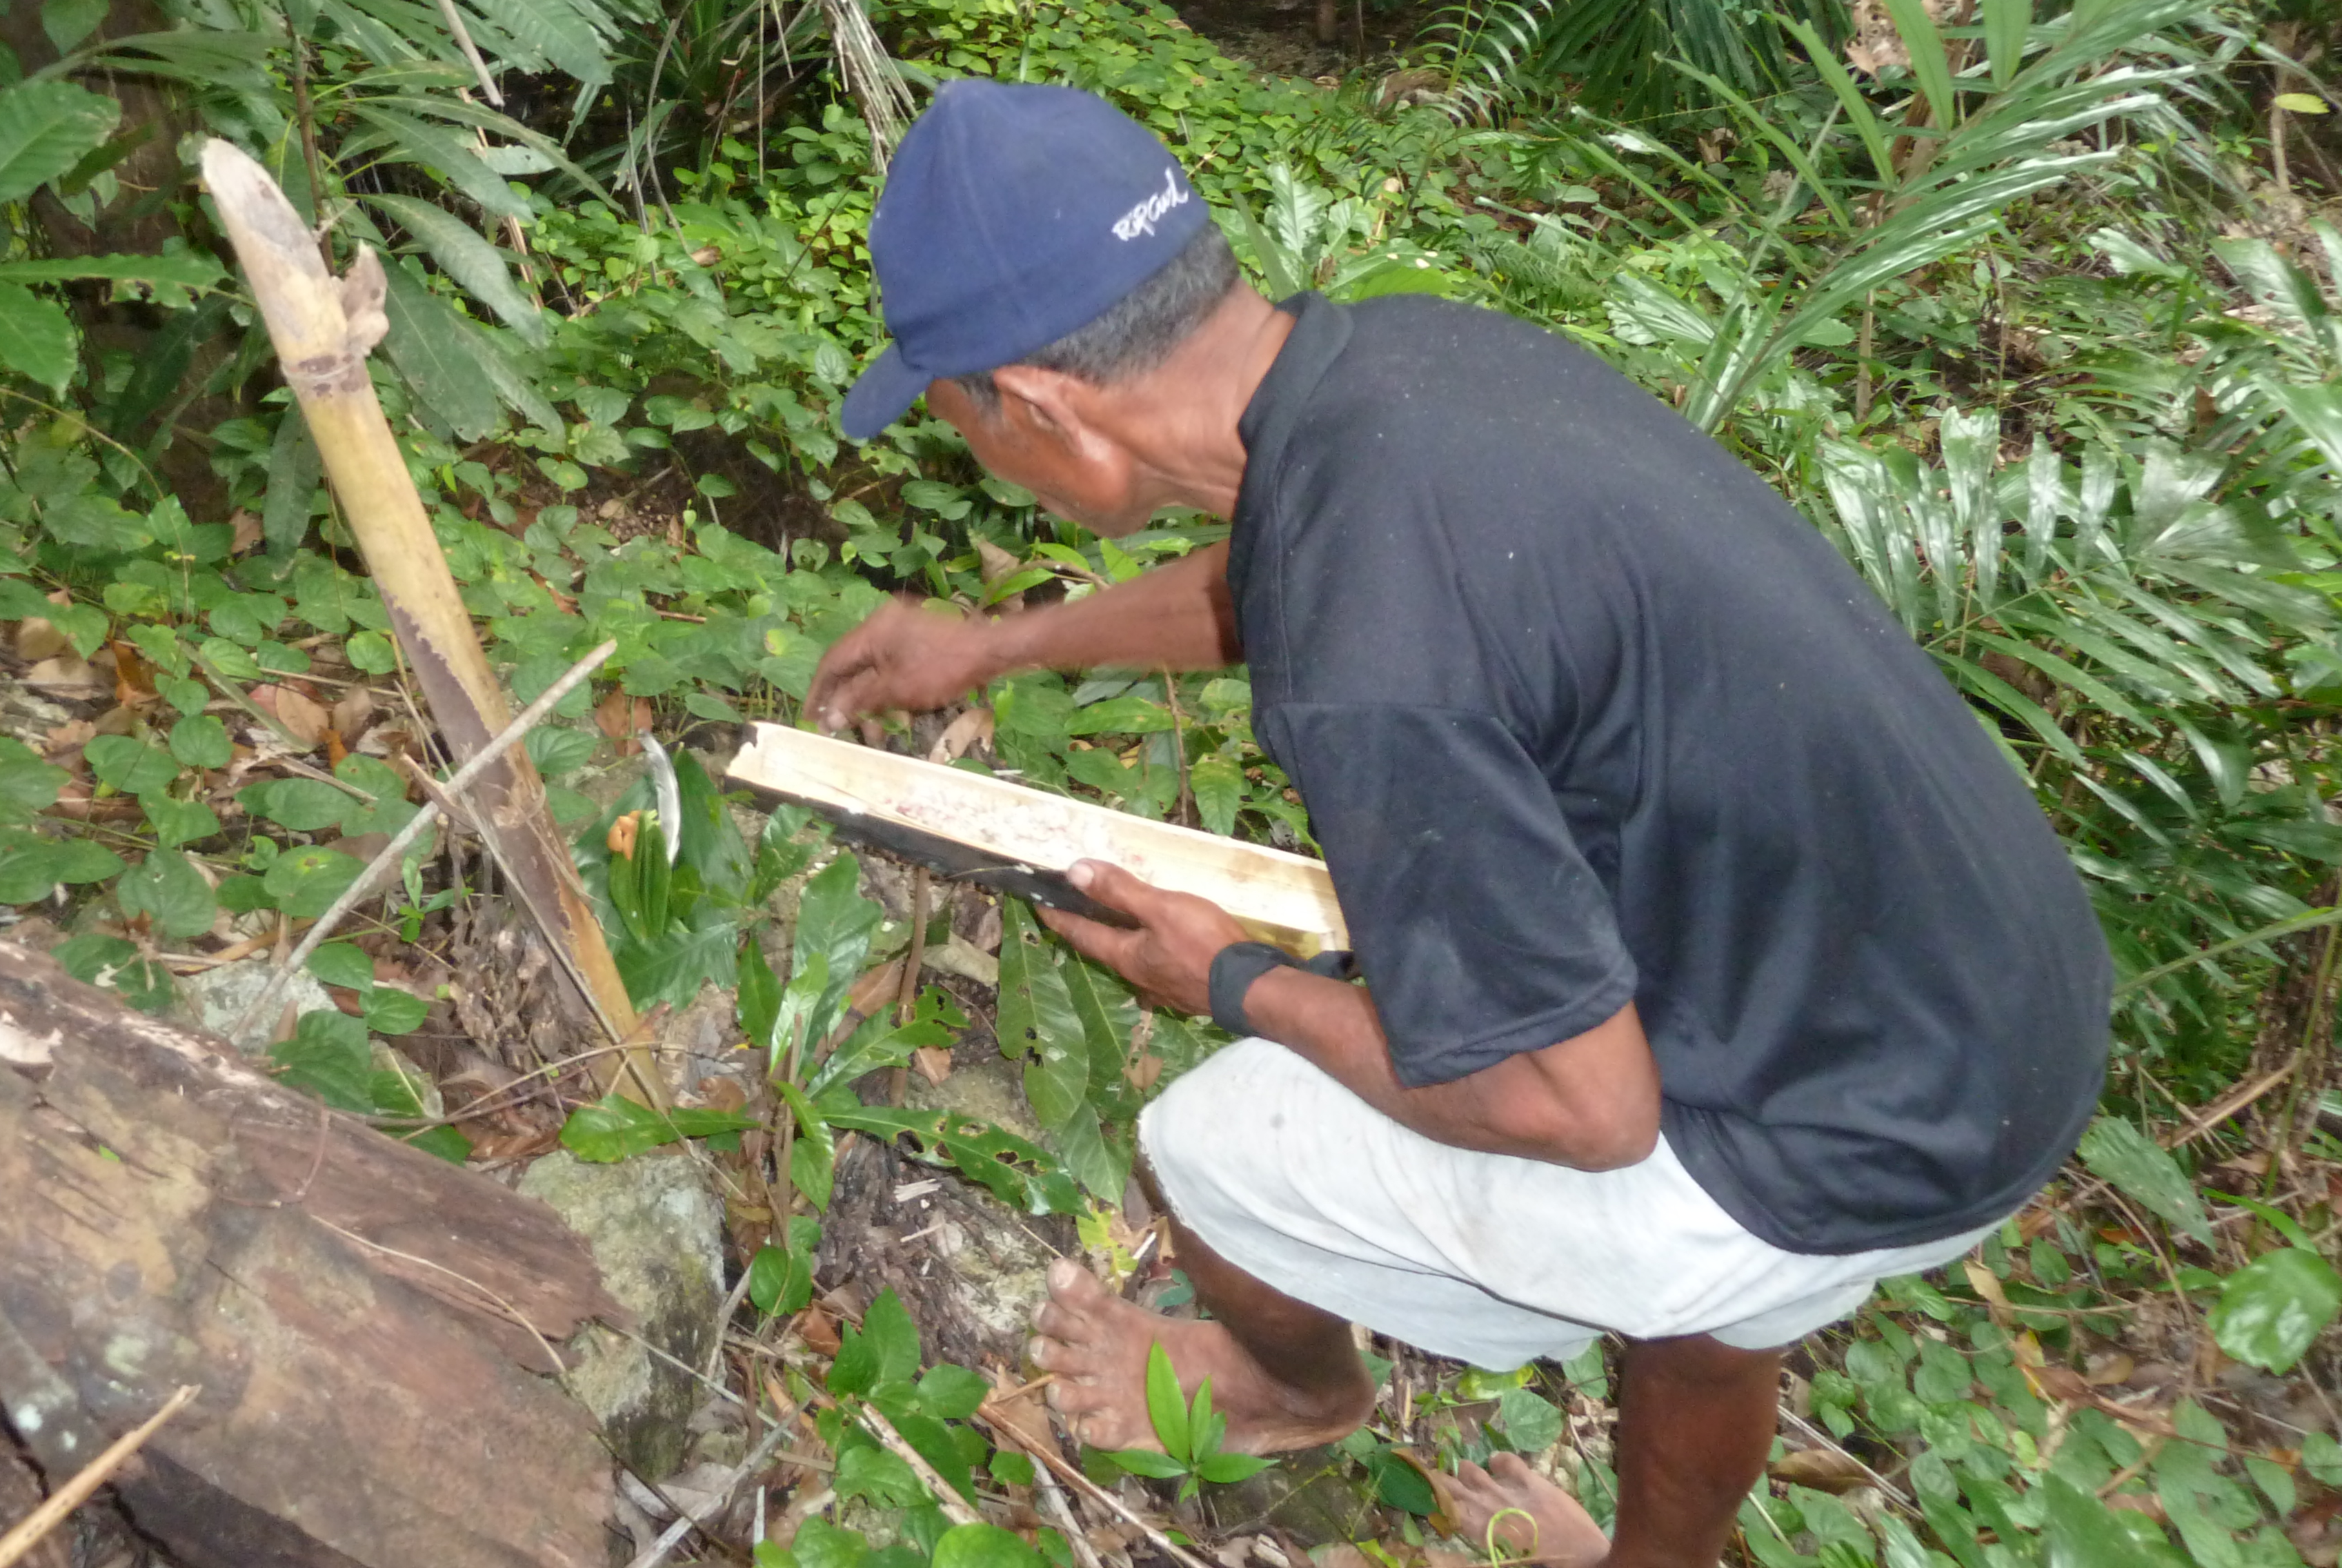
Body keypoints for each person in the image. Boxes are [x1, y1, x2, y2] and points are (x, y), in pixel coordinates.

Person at [806, 80, 2111, 1568]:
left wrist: (1231, 981)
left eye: (959, 417)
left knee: (1214, 1142)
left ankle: (1291, 1393)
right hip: (1991, 1017)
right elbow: (1273, 577)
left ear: (1040, 406)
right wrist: (997, 645)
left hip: (1844, 1136)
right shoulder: (1401, 366)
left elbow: (1584, 1112)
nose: (977, 450)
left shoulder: (1371, 662)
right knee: (1723, 1301)